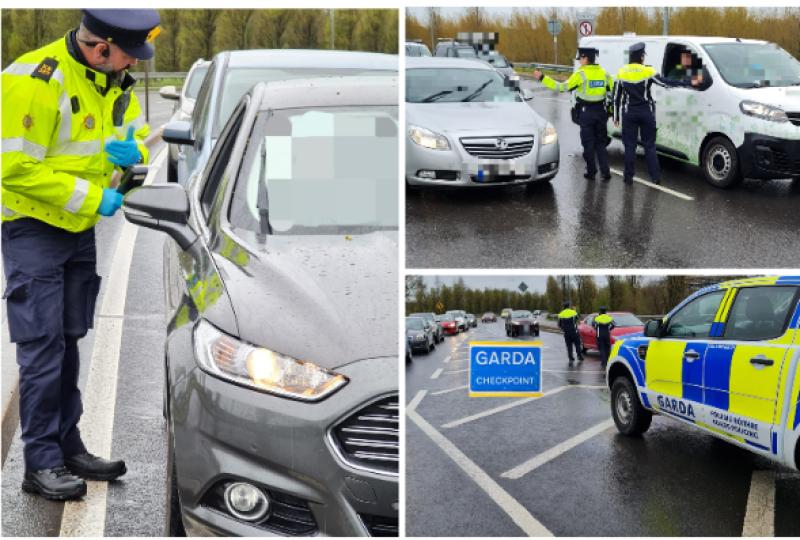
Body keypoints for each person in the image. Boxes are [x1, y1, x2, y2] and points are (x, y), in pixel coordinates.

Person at [2, 9, 160, 501]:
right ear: (101, 47)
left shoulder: (113, 80)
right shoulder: (35, 78)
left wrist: (134, 153)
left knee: (69, 341)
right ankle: (41, 462)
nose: (134, 62)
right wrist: (95, 198)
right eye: (129, 53)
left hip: (76, 233)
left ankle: (67, 445)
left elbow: (137, 133)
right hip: (34, 230)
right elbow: (12, 168)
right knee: (43, 346)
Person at [612, 42, 699, 185]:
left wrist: (616, 117)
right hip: (646, 113)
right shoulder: (648, 71)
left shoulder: (621, 72)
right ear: (641, 57)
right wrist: (687, 83)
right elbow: (666, 83)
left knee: (630, 146)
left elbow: (616, 97)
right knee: (649, 146)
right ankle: (656, 177)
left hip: (629, 114)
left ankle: (628, 178)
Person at [533, 47, 614, 181]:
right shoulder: (604, 74)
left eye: (581, 58)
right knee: (600, 143)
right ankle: (606, 172)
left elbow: (561, 87)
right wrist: (609, 112)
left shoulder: (581, 74)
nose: (580, 61)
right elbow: (611, 93)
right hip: (601, 113)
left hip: (586, 113)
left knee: (588, 144)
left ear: (585, 58)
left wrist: (542, 78)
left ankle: (591, 171)